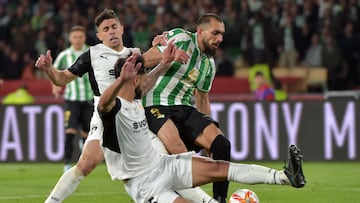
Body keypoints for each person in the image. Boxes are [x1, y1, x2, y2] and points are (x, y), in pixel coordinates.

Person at [36, 9, 215, 203]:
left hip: (134, 114)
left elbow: (145, 84)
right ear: (99, 35)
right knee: (86, 164)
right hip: (106, 115)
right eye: (106, 29)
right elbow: (62, 79)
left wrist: (164, 56)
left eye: (114, 27)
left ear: (121, 29)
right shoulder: (93, 54)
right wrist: (49, 70)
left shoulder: (136, 54)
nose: (111, 31)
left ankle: (206, 201)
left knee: (163, 167)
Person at [98, 50, 306, 203]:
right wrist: (120, 81)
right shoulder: (114, 107)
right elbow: (103, 104)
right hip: (143, 184)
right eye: (141, 79)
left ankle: (286, 177)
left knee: (219, 167)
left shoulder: (135, 99)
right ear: (133, 80)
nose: (147, 83)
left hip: (163, 165)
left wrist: (163, 64)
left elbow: (147, 82)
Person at [142, 13, 231, 202]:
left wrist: (207, 129)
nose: (220, 39)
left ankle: (220, 199)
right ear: (200, 31)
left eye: (222, 34)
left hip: (183, 108)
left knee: (221, 145)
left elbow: (202, 100)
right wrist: (168, 55)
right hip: (156, 103)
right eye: (215, 33)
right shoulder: (181, 39)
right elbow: (144, 60)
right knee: (178, 151)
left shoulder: (209, 64)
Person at [52, 25, 94, 172]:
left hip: (89, 99)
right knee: (69, 131)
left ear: (85, 38)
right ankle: (67, 164)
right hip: (71, 100)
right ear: (70, 38)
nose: (77, 40)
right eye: (75, 37)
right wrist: (55, 86)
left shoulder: (92, 52)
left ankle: (84, 161)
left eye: (80, 37)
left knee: (87, 134)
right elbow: (54, 71)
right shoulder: (65, 55)